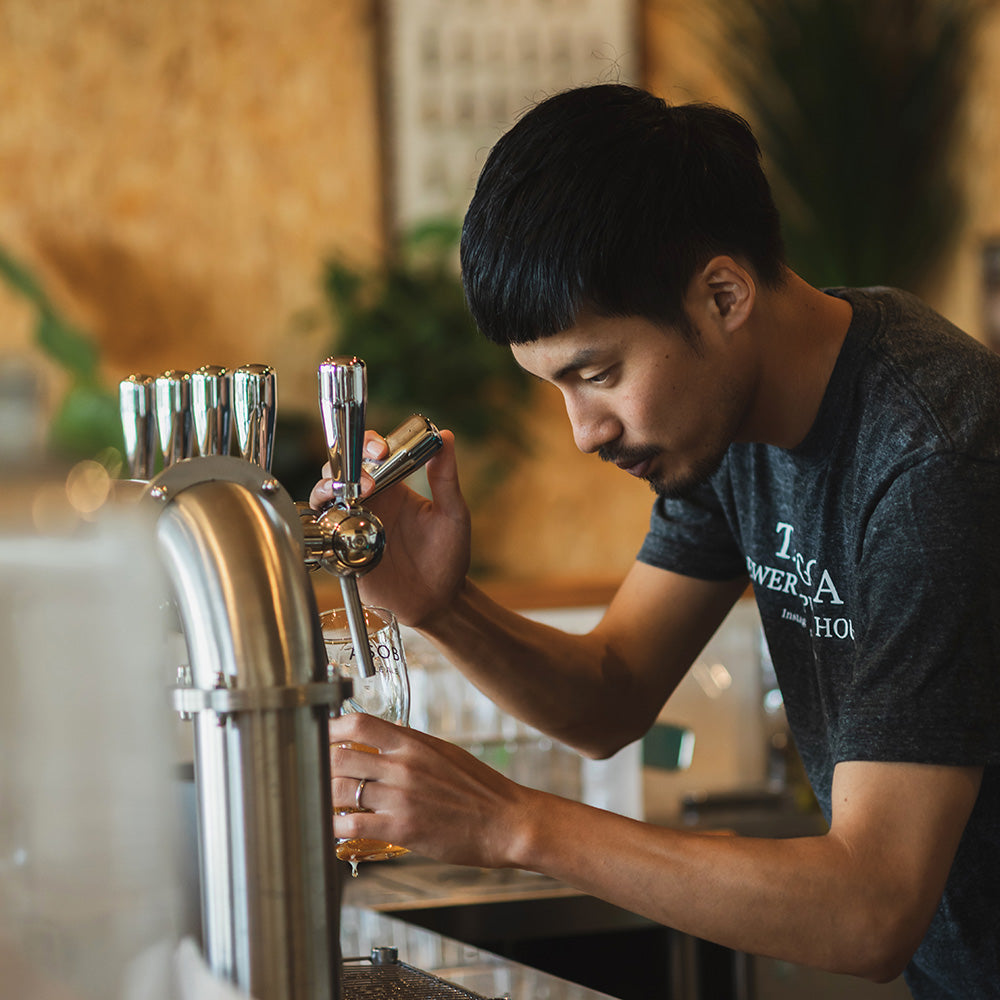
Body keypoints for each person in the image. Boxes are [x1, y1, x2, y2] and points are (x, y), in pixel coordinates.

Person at [311, 84, 999, 997]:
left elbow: (870, 908)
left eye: (597, 373)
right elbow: (613, 693)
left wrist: (507, 822)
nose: (583, 431)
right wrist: (443, 605)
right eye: (556, 387)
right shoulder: (734, 427)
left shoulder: (935, 462)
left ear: (724, 294)